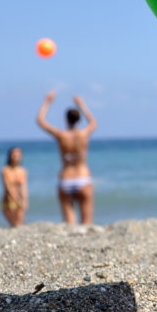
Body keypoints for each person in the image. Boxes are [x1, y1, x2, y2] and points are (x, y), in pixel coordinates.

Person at [37, 92, 97, 224]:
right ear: (79, 119)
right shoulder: (83, 134)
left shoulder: (61, 135)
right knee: (87, 222)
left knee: (69, 223)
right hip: (83, 177)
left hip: (66, 178)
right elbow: (93, 122)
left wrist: (47, 101)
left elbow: (40, 121)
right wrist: (81, 105)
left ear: (66, 119)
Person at [0, 146, 28, 227]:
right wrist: (16, 200)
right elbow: (7, 187)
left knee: (19, 224)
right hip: (8, 200)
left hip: (19, 200)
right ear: (10, 156)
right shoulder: (5, 170)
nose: (16, 157)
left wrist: (25, 200)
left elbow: (24, 187)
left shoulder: (22, 170)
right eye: (14, 155)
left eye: (19, 155)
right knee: (14, 224)